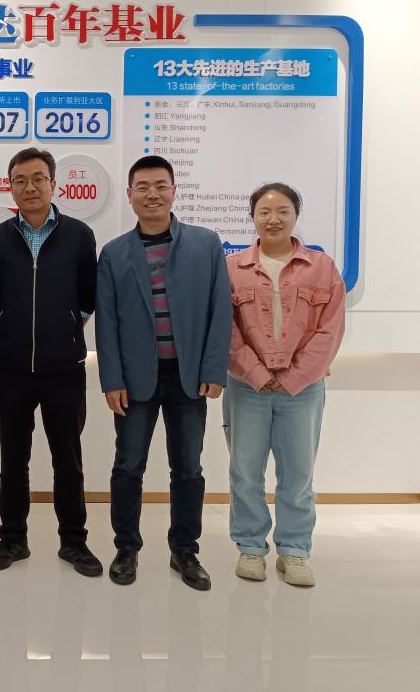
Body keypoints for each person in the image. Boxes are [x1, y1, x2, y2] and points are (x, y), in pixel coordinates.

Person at [95, 154, 231, 591]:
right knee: (127, 466)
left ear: (174, 191)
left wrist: (214, 368)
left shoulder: (205, 244)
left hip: (189, 376)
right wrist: (112, 379)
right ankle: (126, 548)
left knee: (188, 468)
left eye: (160, 185)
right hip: (135, 380)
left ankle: (185, 551)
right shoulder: (114, 253)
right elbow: (106, 323)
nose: (151, 194)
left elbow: (220, 311)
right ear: (130, 194)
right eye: (143, 187)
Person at [0, 147, 101, 576]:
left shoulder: (79, 235)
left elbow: (89, 295)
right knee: (13, 459)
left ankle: (74, 542)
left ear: (53, 184)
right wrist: (9, 323)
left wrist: (66, 325)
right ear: (11, 188)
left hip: (64, 368)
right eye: (20, 180)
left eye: (38, 179)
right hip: (11, 368)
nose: (30, 187)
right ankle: (13, 539)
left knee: (68, 460)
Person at [224, 183, 345, 587]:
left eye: (282, 211)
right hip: (247, 387)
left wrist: (293, 377)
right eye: (264, 211)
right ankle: (250, 548)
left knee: (298, 473)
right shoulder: (232, 268)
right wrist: (258, 374)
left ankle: (294, 551)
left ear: (296, 215)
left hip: (303, 389)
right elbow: (225, 330)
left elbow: (330, 331)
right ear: (252, 217)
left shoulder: (322, 268)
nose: (273, 219)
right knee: (245, 472)